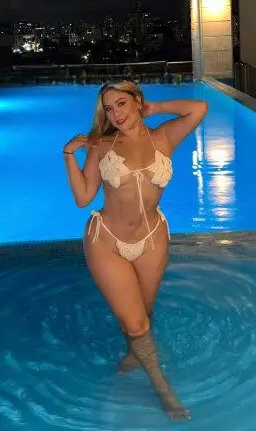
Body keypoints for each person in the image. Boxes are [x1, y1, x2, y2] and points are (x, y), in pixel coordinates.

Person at [63, 80, 208, 420]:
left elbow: (199, 108)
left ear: (137, 101)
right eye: (108, 108)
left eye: (121, 104)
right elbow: (83, 198)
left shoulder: (164, 137)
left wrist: (154, 108)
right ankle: (162, 388)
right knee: (137, 323)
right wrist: (69, 155)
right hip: (107, 240)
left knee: (144, 311)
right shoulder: (102, 145)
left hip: (153, 237)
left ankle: (134, 354)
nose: (115, 114)